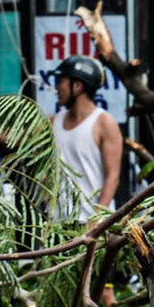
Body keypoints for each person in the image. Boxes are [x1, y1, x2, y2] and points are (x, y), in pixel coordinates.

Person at [50, 55, 122, 218]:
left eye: (61, 81)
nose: (57, 87)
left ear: (77, 86)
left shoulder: (105, 122)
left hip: (92, 224)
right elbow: (20, 139)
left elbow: (113, 176)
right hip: (58, 224)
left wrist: (97, 219)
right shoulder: (54, 121)